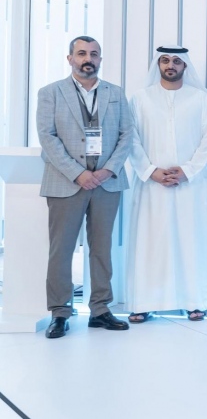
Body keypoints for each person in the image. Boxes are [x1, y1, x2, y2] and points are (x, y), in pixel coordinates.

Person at [36, 36, 134, 339]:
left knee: (102, 249)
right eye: (81, 53)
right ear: (70, 59)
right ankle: (60, 312)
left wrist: (107, 170)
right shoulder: (50, 93)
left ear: (100, 59)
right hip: (65, 181)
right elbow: (47, 137)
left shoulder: (116, 93)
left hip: (107, 183)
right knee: (61, 249)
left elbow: (127, 135)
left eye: (93, 54)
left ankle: (101, 309)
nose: (87, 59)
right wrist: (78, 173)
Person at [126, 46, 207, 323]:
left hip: (190, 184)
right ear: (158, 64)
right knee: (150, 243)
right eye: (165, 60)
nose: (171, 65)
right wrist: (151, 171)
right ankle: (144, 302)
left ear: (185, 66)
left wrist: (187, 170)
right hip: (151, 185)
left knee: (191, 242)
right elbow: (131, 138)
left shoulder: (200, 98)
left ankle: (194, 302)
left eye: (177, 61)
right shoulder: (140, 98)